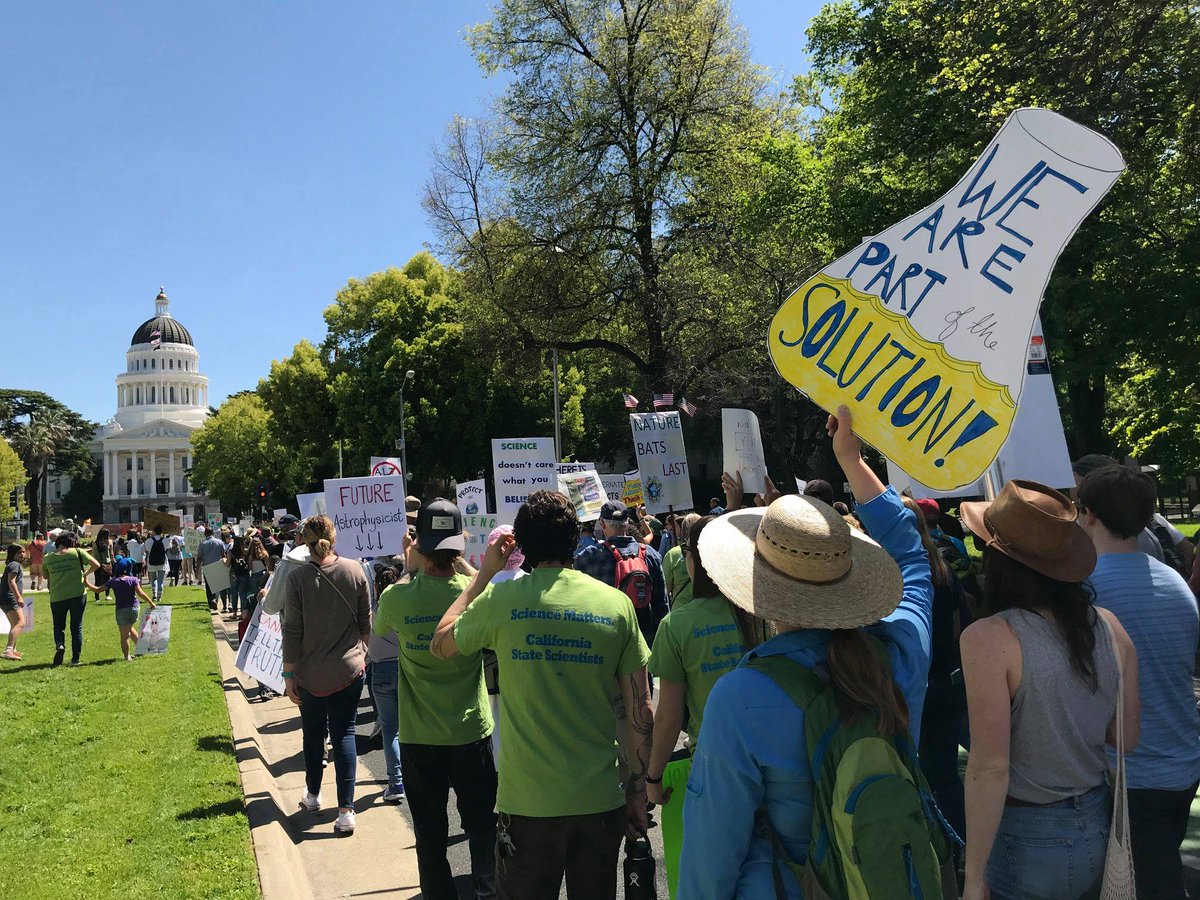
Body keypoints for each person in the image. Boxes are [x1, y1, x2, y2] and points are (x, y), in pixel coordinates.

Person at [678, 408, 936, 898]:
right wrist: (852, 461)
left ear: (757, 585)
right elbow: (911, 555)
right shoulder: (901, 654)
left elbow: (712, 851)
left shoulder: (741, 696)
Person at [432, 490, 653, 900]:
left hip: (527, 807)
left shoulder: (501, 600)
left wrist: (483, 575)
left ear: (523, 543)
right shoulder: (616, 605)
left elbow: (440, 643)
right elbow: (640, 710)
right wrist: (638, 791)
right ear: (575, 539)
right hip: (599, 801)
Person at [958, 479, 1140, 900]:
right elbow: (1126, 738)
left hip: (1027, 833)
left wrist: (972, 877)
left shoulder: (988, 638)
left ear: (997, 559)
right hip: (1096, 819)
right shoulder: (1110, 627)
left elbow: (990, 767)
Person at [1077, 464, 1200, 899]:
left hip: (1129, 773)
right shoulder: (1174, 581)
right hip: (1181, 762)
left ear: (1088, 513)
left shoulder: (1085, 590)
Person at [374, 500, 496, 899]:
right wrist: (465, 566)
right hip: (470, 731)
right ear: (459, 546)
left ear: (419, 547)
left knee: (429, 835)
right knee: (481, 826)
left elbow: (381, 625)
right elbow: (485, 586)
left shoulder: (397, 597)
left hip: (419, 736)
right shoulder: (476, 594)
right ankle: (487, 891)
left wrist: (408, 568)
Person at [646, 515, 755, 792]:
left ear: (693, 558)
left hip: (712, 764)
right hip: (771, 757)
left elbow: (669, 718)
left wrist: (654, 777)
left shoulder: (675, 626)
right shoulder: (760, 616)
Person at [281, 515, 371, 835]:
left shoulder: (297, 579)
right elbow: (365, 622)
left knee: (313, 734)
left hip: (309, 674)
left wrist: (288, 674)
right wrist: (361, 656)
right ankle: (346, 810)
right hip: (349, 670)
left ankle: (313, 795)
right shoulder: (355, 570)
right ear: (333, 538)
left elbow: (292, 630)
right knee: (345, 734)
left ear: (304, 541)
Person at [903, 495, 972, 849]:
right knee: (944, 775)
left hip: (911, 687)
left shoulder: (895, 575)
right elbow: (961, 627)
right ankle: (958, 846)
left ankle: (936, 846)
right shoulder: (943, 569)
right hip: (948, 681)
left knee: (914, 773)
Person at [575, 499, 669, 649]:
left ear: (602, 524)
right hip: (644, 641)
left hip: (606, 641)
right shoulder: (651, 554)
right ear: (627, 523)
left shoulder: (589, 556)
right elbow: (662, 605)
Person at [366, 556, 405, 804]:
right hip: (405, 670)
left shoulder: (371, 612)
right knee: (408, 728)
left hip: (380, 672)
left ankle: (396, 781)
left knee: (390, 729)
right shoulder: (406, 608)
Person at [43, 531, 101, 667]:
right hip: (77, 594)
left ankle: (60, 644)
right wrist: (85, 574)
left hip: (57, 596)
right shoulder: (77, 552)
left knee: (58, 625)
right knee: (76, 627)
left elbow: (45, 576)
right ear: (72, 542)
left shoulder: (47, 558)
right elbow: (96, 565)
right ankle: (75, 659)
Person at [85, 557, 157, 660]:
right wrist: (151, 603)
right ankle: (142, 648)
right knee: (129, 628)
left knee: (124, 635)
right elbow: (141, 593)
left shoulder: (113, 581)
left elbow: (97, 590)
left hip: (121, 610)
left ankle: (127, 656)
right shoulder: (133, 579)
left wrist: (86, 582)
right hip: (134, 608)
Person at [662, 513, 699, 609]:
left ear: (683, 530)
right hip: (709, 608)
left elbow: (666, 588)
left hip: (681, 609)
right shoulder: (710, 551)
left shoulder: (672, 555)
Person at [1, 543, 28, 659]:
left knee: (14, 624)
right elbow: (11, 581)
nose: (22, 554)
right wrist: (18, 597)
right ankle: (8, 650)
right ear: (13, 554)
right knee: (20, 623)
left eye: (23, 552)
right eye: (19, 552)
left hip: (5, 598)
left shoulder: (12, 564)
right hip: (10, 597)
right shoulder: (15, 565)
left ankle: (13, 649)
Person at [197, 527, 228, 611]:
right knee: (217, 585)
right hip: (217, 566)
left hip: (207, 567)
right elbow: (223, 555)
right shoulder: (219, 542)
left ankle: (210, 603)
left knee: (208, 586)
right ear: (213, 533)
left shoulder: (202, 543)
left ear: (205, 534)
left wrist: (197, 569)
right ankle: (215, 599)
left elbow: (199, 557)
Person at [225, 534, 251, 619]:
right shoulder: (245, 551)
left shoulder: (231, 552)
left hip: (234, 574)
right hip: (244, 574)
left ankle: (235, 613)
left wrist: (224, 560)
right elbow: (249, 564)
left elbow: (228, 564)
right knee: (243, 594)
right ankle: (243, 613)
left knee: (234, 593)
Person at [145, 525, 169, 602]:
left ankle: (154, 595)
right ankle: (159, 597)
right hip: (162, 562)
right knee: (160, 581)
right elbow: (168, 547)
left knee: (153, 579)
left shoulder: (149, 541)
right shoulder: (165, 540)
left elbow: (147, 549)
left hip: (152, 562)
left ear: (154, 532)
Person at [93, 527, 115, 601]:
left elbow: (94, 553)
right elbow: (111, 553)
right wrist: (114, 561)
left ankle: (97, 597)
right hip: (107, 562)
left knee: (97, 580)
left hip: (97, 563)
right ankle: (107, 595)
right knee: (107, 580)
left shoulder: (95, 542)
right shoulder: (109, 542)